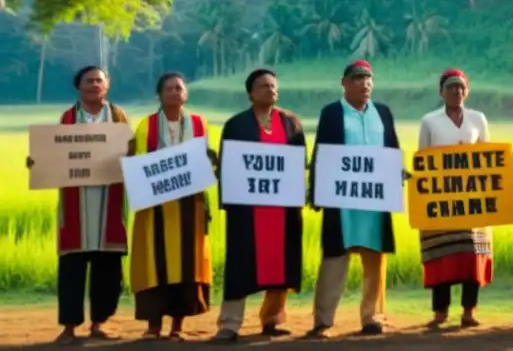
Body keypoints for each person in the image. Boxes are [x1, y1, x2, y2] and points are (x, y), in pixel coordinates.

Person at [26, 66, 131, 344]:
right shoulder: (68, 118)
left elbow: (130, 150)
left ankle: (99, 324)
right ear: (79, 86)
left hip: (110, 200)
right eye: (89, 80)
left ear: (106, 86)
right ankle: (69, 327)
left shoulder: (118, 116)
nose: (95, 85)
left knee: (107, 268)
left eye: (100, 80)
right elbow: (59, 152)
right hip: (77, 202)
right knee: (72, 267)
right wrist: (39, 162)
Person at [212, 69, 307, 344]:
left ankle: (273, 319)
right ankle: (229, 324)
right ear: (251, 93)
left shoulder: (291, 123)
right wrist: (228, 203)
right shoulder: (236, 125)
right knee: (241, 264)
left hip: (283, 209)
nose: (270, 90)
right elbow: (228, 167)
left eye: (273, 86)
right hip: (248, 210)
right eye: (264, 86)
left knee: (282, 265)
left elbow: (299, 164)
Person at [308, 60, 400, 339]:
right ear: (344, 83)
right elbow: (321, 152)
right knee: (335, 258)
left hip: (374, 199)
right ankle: (323, 320)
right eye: (358, 78)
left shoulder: (383, 113)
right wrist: (316, 190)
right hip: (342, 198)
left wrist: (396, 177)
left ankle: (371, 317)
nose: (365, 84)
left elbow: (392, 149)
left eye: (369, 79)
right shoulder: (332, 113)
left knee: (375, 258)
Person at [129, 72, 214, 340]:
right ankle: (153, 326)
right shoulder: (147, 126)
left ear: (186, 93)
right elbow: (142, 163)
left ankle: (177, 326)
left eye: (179, 88)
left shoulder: (200, 124)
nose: (175, 92)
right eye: (169, 88)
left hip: (189, 207)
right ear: (160, 95)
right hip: (155, 208)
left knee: (186, 266)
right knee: (154, 265)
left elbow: (204, 158)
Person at [417, 68, 493, 329]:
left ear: (466, 91)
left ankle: (469, 311)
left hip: (472, 199)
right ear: (442, 92)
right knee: (442, 255)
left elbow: (487, 158)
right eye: (451, 87)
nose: (456, 91)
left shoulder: (478, 119)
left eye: (460, 87)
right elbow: (423, 160)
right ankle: (440, 312)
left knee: (472, 254)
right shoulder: (430, 121)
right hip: (441, 200)